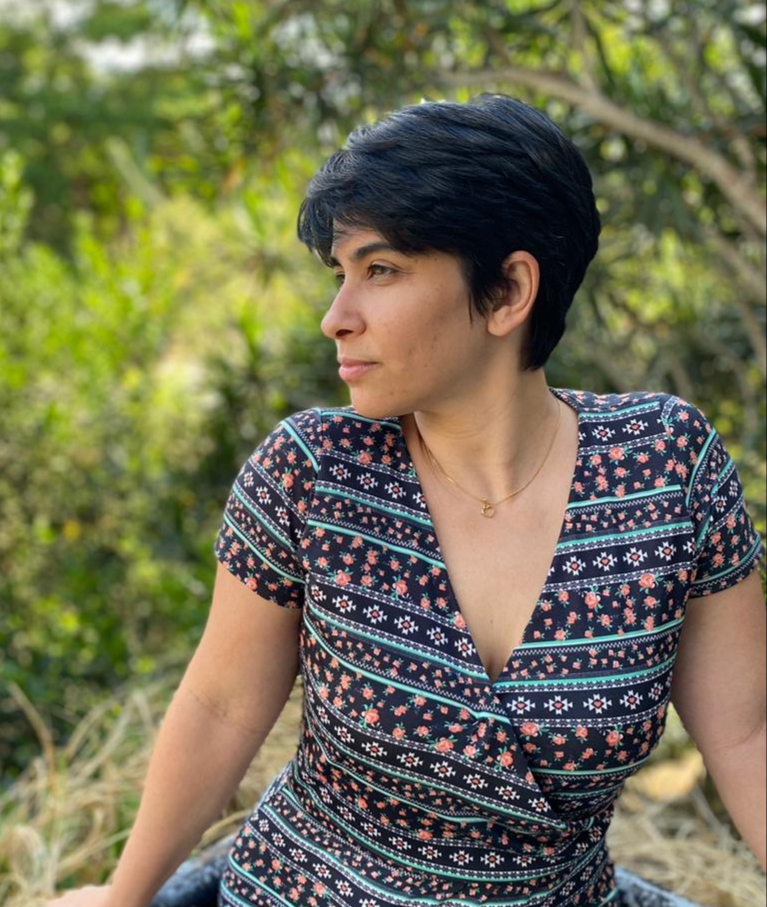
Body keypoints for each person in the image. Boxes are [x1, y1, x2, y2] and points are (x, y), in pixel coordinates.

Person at [46, 95, 766, 907]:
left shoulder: (663, 468)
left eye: (380, 270)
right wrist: (122, 897)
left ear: (507, 290)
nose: (335, 318)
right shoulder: (315, 473)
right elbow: (217, 710)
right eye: (339, 275)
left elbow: (746, 734)